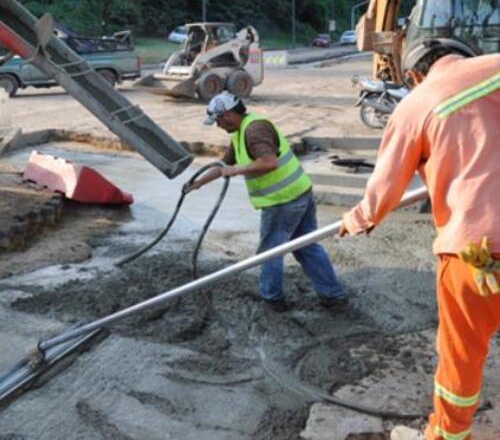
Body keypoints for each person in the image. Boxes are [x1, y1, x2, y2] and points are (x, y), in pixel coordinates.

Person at [339, 47, 499, 440]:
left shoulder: (416, 104)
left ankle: (447, 434)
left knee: (462, 354)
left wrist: (358, 219)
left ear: (414, 76)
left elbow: (385, 186)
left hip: (475, 252)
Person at [185, 91, 348, 312]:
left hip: (283, 201)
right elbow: (223, 164)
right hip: (298, 192)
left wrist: (236, 170)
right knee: (306, 247)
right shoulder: (241, 132)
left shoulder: (254, 130)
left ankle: (272, 298)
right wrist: (198, 182)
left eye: (218, 120)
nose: (218, 126)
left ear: (228, 115)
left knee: (270, 251)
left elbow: (269, 162)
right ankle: (333, 295)